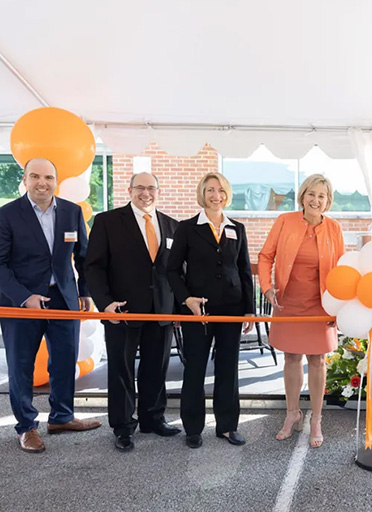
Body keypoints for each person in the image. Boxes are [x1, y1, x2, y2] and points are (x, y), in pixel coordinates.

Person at [0, 158, 101, 453]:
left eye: (48, 177)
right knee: (21, 366)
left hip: (63, 300)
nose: (42, 183)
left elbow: (84, 256)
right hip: (21, 303)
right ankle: (26, 426)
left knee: (64, 361)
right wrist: (24, 296)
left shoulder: (72, 212)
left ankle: (61, 416)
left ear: (55, 180)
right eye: (35, 176)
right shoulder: (7, 215)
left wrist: (84, 292)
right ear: (25, 179)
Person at [85, 172, 181, 452]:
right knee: (121, 370)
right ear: (129, 190)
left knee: (156, 367)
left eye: (151, 187)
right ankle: (124, 426)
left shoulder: (172, 225)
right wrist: (105, 304)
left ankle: (153, 418)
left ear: (158, 191)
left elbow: (174, 272)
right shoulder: (107, 221)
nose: (146, 193)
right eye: (140, 187)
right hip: (121, 309)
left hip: (160, 311)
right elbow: (93, 267)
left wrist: (176, 308)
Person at [166, 172, 254, 449]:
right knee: (195, 369)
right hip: (198, 310)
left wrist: (249, 310)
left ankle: (228, 426)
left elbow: (244, 270)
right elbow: (171, 270)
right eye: (210, 190)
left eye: (221, 190)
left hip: (231, 309)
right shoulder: (187, 228)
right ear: (202, 194)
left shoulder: (236, 228)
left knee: (228, 369)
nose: (216, 195)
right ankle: (193, 428)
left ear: (227, 194)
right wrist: (186, 300)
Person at [258, 173, 345, 449]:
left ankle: (316, 419)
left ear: (328, 201)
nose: (315, 200)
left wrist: (341, 305)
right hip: (288, 301)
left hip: (320, 303)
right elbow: (265, 256)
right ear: (303, 196)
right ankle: (292, 414)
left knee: (318, 361)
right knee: (291, 358)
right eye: (311, 194)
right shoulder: (285, 221)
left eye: (322, 196)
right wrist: (267, 287)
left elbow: (343, 269)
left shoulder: (334, 228)